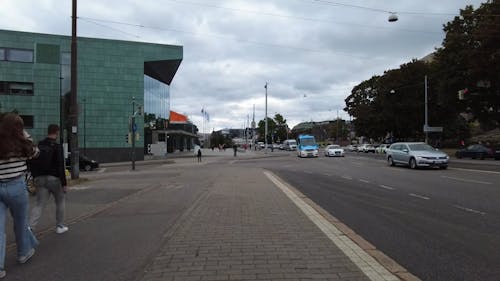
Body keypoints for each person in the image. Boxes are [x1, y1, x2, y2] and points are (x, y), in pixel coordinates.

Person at [0, 113, 39, 279]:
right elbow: (35, 154)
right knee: (20, 222)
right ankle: (23, 253)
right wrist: (25, 136)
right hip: (16, 186)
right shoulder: (22, 143)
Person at [29, 124, 68, 234]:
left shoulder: (39, 146)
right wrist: (64, 183)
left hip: (39, 178)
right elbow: (60, 165)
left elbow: (31, 162)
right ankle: (60, 226)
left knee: (39, 204)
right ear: (57, 132)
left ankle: (30, 227)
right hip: (54, 179)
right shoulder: (57, 147)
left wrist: (34, 177)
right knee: (60, 201)